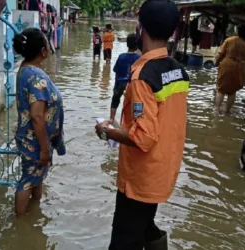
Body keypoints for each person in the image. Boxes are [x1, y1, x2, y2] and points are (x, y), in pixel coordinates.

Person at [95, 0, 189, 249]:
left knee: (125, 241)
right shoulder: (178, 71)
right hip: (162, 172)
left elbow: (143, 138)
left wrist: (107, 132)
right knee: (145, 225)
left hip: (140, 179)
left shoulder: (142, 78)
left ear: (140, 29)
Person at [12, 28, 66, 215]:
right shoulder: (36, 76)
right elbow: (37, 116)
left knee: (35, 177)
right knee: (28, 179)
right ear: (43, 51)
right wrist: (44, 149)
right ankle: (19, 222)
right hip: (35, 140)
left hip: (30, 137)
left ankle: (34, 216)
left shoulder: (25, 69)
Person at [215, 24, 245, 114]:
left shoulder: (229, 40)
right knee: (233, 91)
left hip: (227, 65)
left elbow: (220, 54)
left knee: (221, 89)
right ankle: (227, 112)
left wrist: (216, 63)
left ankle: (217, 110)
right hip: (241, 68)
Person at [110, 33, 141, 124]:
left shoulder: (121, 56)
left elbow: (117, 72)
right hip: (132, 85)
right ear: (137, 45)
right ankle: (136, 121)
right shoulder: (139, 58)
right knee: (136, 102)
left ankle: (112, 119)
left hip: (120, 83)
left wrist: (116, 86)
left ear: (127, 44)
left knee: (115, 100)